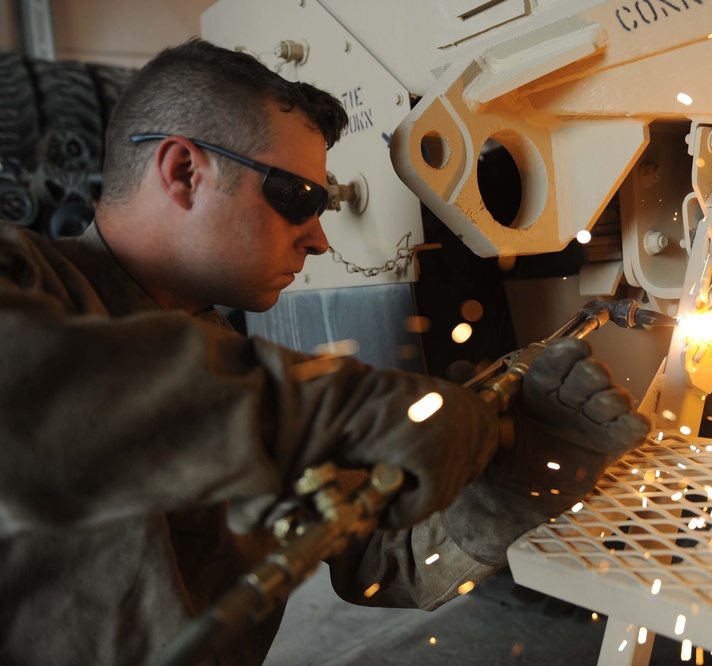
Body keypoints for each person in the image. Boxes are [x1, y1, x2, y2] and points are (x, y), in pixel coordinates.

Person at [0, 39, 649, 665]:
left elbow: (382, 555)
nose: (318, 240)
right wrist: (338, 409)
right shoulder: (24, 278)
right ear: (183, 171)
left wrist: (515, 476)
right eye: (299, 199)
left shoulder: (230, 356)